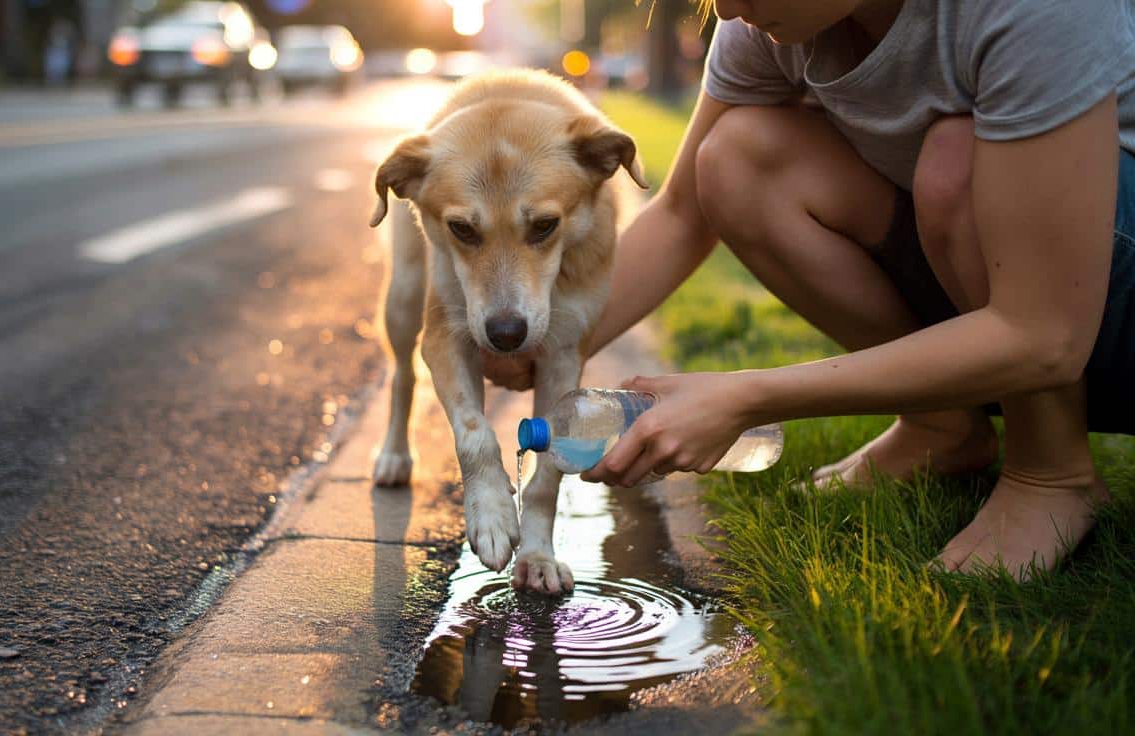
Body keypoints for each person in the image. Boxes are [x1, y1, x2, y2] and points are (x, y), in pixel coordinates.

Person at [484, 0, 1135, 580]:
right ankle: (942, 424)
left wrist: (746, 396)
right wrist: (550, 339)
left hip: (1086, 307)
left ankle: (1050, 470)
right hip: (988, 281)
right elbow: (682, 214)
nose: (731, 11)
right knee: (735, 157)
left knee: (952, 160)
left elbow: (1044, 334)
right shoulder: (767, 28)